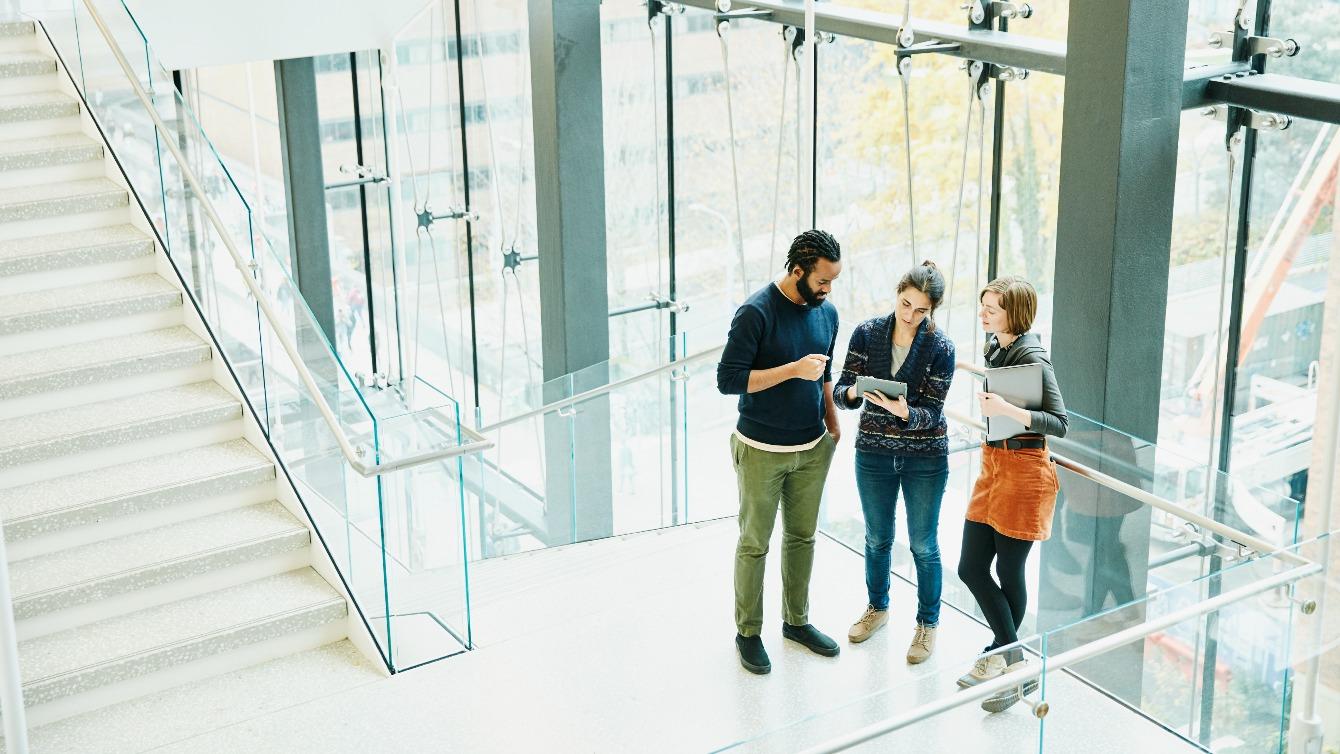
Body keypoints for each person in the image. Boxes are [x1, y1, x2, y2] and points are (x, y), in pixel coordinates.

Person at [717, 229, 843, 675]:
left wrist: (831, 421)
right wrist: (792, 370)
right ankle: (748, 633)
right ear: (797, 271)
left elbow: (825, 375)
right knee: (755, 543)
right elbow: (728, 380)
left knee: (803, 538)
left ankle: (797, 622)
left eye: (833, 282)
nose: (828, 290)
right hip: (760, 450)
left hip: (812, 448)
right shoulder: (755, 312)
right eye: (823, 281)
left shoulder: (826, 313)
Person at [833, 260, 955, 664]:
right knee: (876, 537)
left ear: (931, 310)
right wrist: (855, 395)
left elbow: (934, 413)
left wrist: (905, 413)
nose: (910, 315)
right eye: (906, 304)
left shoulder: (942, 348)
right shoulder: (868, 334)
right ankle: (877, 608)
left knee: (923, 544)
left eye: (921, 310)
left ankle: (927, 624)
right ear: (897, 293)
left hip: (925, 459)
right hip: (874, 454)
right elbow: (841, 389)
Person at [956, 275, 1068, 713]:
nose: (982, 313)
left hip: (1024, 471)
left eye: (992, 309)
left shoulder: (1033, 355)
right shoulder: (996, 347)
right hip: (995, 464)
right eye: (982, 305)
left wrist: (1005, 409)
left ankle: (1005, 657)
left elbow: (1059, 423)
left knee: (1009, 569)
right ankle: (1012, 656)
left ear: (1014, 314)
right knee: (970, 566)